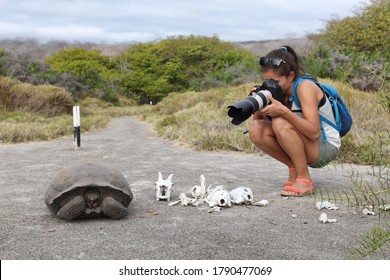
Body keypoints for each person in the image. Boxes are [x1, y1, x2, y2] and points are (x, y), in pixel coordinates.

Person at [248, 46, 341, 197]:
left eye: (275, 82)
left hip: (325, 145)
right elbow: (258, 123)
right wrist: (258, 103)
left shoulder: (305, 87)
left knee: (280, 122)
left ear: (291, 76)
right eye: (267, 81)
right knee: (256, 128)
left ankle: (304, 180)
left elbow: (314, 132)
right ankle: (294, 169)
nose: (271, 85)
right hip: (306, 143)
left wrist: (284, 111)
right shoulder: (277, 92)